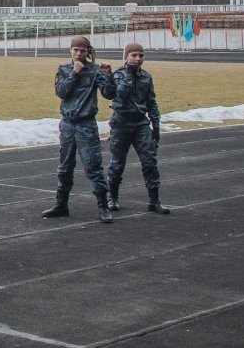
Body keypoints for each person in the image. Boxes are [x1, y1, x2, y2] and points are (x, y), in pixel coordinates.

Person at [41, 36, 117, 223]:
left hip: (86, 124)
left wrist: (109, 76)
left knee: (93, 165)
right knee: (65, 166)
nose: (79, 53)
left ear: (87, 52)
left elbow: (109, 94)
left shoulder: (95, 71)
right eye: (76, 50)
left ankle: (103, 206)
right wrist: (74, 73)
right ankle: (61, 205)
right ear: (70, 51)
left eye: (83, 51)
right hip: (67, 124)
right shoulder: (64, 69)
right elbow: (61, 92)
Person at [107, 43, 170, 215]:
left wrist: (155, 127)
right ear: (126, 56)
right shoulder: (118, 75)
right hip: (121, 122)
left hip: (140, 123)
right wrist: (129, 75)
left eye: (141, 55)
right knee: (117, 163)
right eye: (134, 55)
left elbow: (151, 103)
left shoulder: (146, 77)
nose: (138, 58)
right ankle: (112, 198)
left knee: (150, 161)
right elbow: (117, 95)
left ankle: (154, 201)